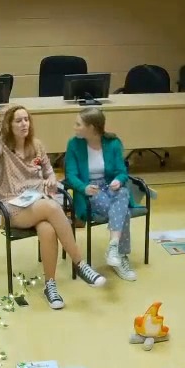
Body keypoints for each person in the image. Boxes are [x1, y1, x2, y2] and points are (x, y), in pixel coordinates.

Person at [0, 105, 107, 310]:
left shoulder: (36, 145)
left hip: (37, 202)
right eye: (18, 121)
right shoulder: (2, 147)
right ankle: (80, 264)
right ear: (9, 126)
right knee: (52, 208)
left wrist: (51, 181)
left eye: (26, 119)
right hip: (11, 206)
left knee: (47, 229)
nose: (24, 124)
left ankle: (50, 286)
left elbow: (49, 172)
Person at [64, 107, 141, 282]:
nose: (75, 127)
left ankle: (113, 246)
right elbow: (71, 175)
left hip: (110, 187)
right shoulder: (74, 144)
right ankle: (120, 256)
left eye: (78, 124)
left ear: (91, 127)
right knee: (123, 212)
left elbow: (122, 172)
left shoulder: (113, 143)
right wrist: (84, 188)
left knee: (122, 193)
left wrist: (119, 181)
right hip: (90, 190)